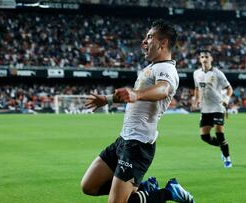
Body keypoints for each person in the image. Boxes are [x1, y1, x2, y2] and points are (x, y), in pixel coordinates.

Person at [81, 19, 194, 203]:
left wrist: (137, 94)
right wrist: (107, 99)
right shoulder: (150, 68)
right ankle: (145, 190)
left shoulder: (167, 69)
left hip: (138, 145)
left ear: (163, 43)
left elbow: (163, 90)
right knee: (89, 186)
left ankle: (168, 192)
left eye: (149, 37)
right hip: (124, 140)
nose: (144, 42)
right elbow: (130, 96)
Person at [192, 50, 233, 168]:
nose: (204, 59)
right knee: (204, 137)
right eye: (202, 57)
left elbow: (229, 88)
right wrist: (197, 100)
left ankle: (227, 158)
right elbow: (197, 88)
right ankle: (222, 146)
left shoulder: (218, 73)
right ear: (200, 59)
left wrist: (226, 99)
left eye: (206, 57)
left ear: (211, 59)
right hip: (205, 109)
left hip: (218, 107)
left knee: (219, 133)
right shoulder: (196, 73)